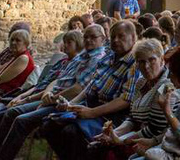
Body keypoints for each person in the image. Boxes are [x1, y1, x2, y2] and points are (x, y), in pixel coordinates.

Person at [0, 26, 106, 160]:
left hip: (62, 103)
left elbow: (78, 89)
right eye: (86, 37)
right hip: (46, 96)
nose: (88, 40)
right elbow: (56, 81)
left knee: (17, 117)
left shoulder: (96, 58)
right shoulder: (79, 57)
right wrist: (43, 95)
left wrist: (45, 98)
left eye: (93, 37)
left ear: (103, 39)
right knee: (5, 113)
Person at [40, 21, 140, 159]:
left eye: (121, 36)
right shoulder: (109, 56)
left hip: (111, 116)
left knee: (71, 132)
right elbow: (92, 84)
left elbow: (125, 100)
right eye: (113, 36)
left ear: (133, 38)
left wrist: (92, 113)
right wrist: (71, 105)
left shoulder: (135, 62)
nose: (116, 40)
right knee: (48, 125)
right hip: (91, 106)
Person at [89, 39, 174, 160]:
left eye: (152, 60)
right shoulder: (141, 82)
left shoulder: (166, 86)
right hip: (136, 135)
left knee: (108, 154)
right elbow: (133, 117)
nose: (146, 66)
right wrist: (113, 133)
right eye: (141, 62)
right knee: (97, 146)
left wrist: (119, 140)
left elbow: (155, 129)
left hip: (153, 142)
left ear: (161, 60)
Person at [0, 29, 34, 106]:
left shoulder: (23, 58)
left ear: (26, 43)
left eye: (18, 40)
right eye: (12, 40)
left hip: (4, 94)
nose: (13, 43)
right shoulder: (16, 56)